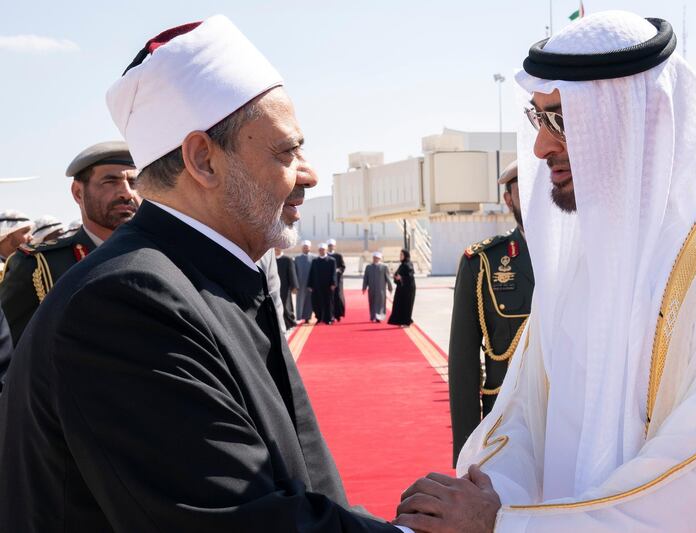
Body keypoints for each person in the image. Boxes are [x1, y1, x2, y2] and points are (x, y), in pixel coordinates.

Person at [395, 12, 696, 533]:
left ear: (635, 119)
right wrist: (478, 499)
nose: (541, 148)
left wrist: (506, 526)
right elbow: (523, 421)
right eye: (538, 120)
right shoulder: (585, 259)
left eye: (562, 120)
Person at [0, 16, 405, 533]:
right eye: (287, 151)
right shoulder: (127, 300)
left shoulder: (205, 277)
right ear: (203, 160)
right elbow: (231, 519)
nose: (309, 173)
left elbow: (295, 482)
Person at [0, 142, 139, 344]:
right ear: (78, 193)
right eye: (110, 181)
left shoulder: (168, 255)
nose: (126, 193)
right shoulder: (39, 267)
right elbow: (9, 355)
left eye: (134, 182)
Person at [448, 160, 534, 466]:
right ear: (508, 199)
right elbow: (463, 363)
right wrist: (467, 451)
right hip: (506, 422)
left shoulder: (584, 254)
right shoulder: (483, 262)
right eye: (523, 188)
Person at [309, 242, 337, 325]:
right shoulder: (315, 261)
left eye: (323, 250)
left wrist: (333, 283)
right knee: (317, 303)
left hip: (328, 286)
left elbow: (334, 273)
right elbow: (311, 273)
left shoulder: (331, 261)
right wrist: (310, 285)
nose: (321, 251)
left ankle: (328, 318)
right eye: (320, 250)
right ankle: (319, 318)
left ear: (326, 250)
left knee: (328, 303)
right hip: (317, 286)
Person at [387, 249, 415, 327]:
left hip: (408, 289)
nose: (400, 256)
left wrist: (401, 278)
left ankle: (406, 322)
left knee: (406, 305)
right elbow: (398, 274)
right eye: (400, 255)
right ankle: (401, 321)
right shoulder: (402, 264)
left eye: (402, 255)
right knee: (398, 304)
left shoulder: (408, 264)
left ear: (406, 256)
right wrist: (396, 277)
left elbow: (410, 277)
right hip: (401, 289)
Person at [362, 251, 392, 322]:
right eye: (374, 258)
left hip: (381, 290)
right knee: (372, 303)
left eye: (377, 258)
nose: (375, 259)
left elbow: (388, 278)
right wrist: (364, 287)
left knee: (381, 304)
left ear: (380, 259)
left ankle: (379, 317)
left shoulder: (384, 267)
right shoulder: (368, 267)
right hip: (372, 289)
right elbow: (366, 278)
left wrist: (390, 288)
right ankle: (373, 317)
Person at [275, 248, 298, 330]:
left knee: (285, 306)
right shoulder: (272, 260)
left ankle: (289, 323)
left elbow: (292, 273)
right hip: (273, 287)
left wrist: (294, 286)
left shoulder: (287, 260)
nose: (276, 249)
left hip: (285, 287)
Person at [294, 239, 314, 322]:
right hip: (300, 283)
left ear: (310, 248)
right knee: (299, 300)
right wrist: (295, 285)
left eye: (307, 247)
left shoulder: (314, 258)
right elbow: (294, 272)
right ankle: (299, 316)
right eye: (304, 247)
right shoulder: (297, 258)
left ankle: (307, 317)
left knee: (309, 301)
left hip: (310, 283)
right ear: (302, 248)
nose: (306, 248)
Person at [328, 238, 346, 320]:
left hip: (338, 280)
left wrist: (338, 270)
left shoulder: (338, 256)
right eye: (329, 246)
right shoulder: (326, 256)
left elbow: (343, 266)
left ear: (334, 246)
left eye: (332, 246)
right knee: (329, 297)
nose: (331, 247)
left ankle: (338, 315)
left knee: (338, 296)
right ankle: (330, 315)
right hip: (328, 281)